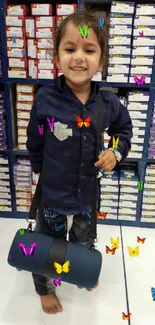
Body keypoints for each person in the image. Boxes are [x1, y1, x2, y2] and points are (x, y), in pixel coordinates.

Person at [26, 7, 133, 315]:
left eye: (89, 50)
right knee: (47, 243)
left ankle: (78, 269)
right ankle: (44, 288)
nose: (78, 57)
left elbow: (124, 132)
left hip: (87, 194)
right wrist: (40, 171)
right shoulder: (45, 100)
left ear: (101, 60)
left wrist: (115, 153)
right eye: (70, 48)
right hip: (53, 193)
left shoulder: (108, 102)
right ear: (57, 57)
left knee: (83, 239)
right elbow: (35, 139)